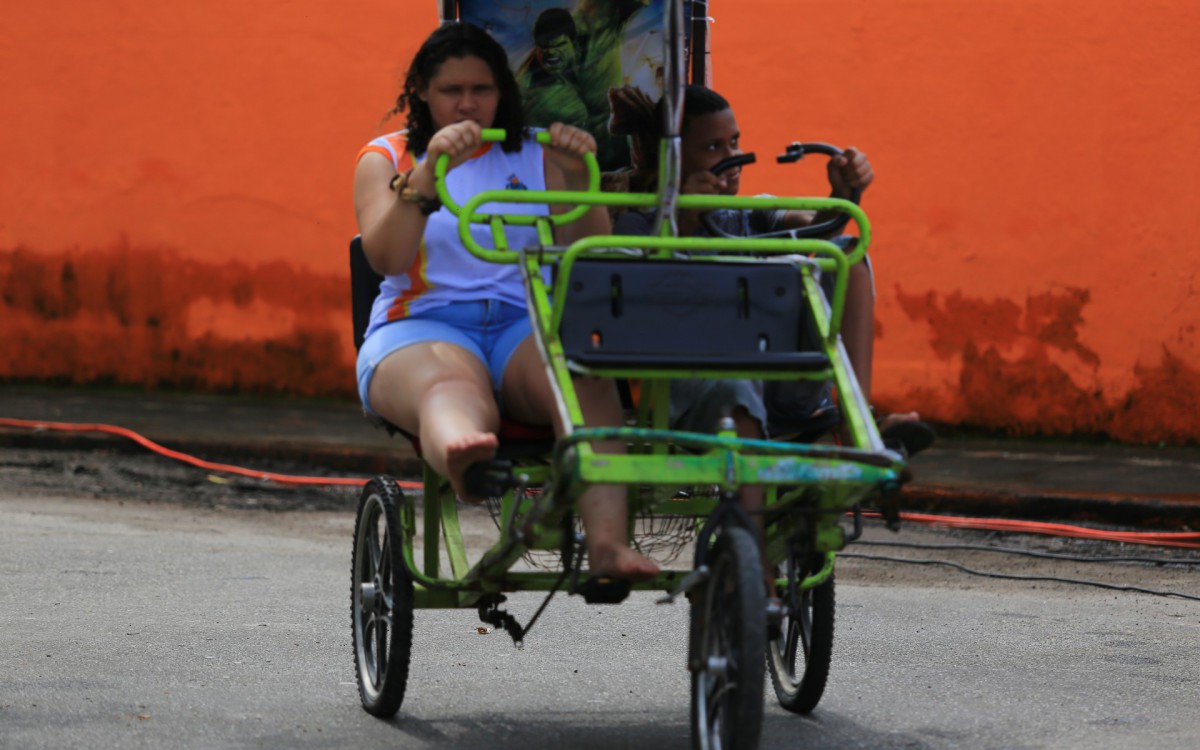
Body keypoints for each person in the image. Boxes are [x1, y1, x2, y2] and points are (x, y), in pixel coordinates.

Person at [354, 22, 658, 581]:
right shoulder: (387, 157)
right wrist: (427, 174)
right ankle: (464, 454)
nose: (468, 103)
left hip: (525, 325)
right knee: (453, 388)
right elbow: (388, 257)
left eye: (482, 89)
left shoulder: (538, 150)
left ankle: (609, 545)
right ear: (421, 90)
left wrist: (574, 176)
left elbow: (585, 256)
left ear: (503, 91)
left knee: (583, 379)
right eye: (452, 91)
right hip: (420, 325)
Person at [610, 84, 930, 593]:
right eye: (714, 148)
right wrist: (685, 216)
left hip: (781, 381)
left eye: (735, 142)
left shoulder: (749, 213)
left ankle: (856, 428)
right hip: (693, 394)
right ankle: (753, 552)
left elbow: (819, 224)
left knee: (845, 253)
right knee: (736, 382)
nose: (733, 158)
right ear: (672, 156)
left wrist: (845, 195)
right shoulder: (634, 223)